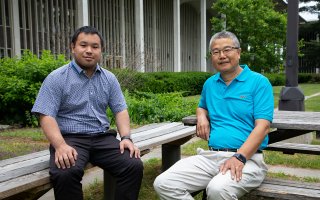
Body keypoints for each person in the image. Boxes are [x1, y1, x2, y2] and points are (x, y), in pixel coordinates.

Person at [153, 31, 274, 200]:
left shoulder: (259, 82)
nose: (221, 56)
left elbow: (263, 126)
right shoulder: (210, 84)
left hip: (247, 159)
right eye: (216, 52)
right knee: (164, 183)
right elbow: (202, 106)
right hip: (210, 157)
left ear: (238, 52)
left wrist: (239, 157)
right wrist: (201, 116)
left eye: (227, 50)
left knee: (218, 189)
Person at [32, 26, 143, 200]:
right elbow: (46, 115)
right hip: (70, 139)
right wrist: (60, 146)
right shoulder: (57, 78)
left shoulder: (109, 78)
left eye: (95, 46)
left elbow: (120, 110)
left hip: (102, 137)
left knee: (132, 164)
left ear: (101, 50)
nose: (89, 51)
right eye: (83, 45)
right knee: (65, 172)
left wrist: (126, 138)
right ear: (72, 47)